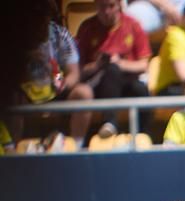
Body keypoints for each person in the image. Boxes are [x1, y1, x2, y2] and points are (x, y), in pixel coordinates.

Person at [15, 1, 93, 150]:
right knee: (10, 96)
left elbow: (74, 74)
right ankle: (12, 149)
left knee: (84, 92)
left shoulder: (60, 35)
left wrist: (60, 85)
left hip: (55, 89)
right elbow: (10, 76)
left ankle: (75, 148)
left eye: (43, 17)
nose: (39, 23)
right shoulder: (17, 38)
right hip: (26, 94)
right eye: (36, 17)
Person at [75, 0, 152, 138]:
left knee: (141, 89)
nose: (107, 12)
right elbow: (78, 71)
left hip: (126, 80)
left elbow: (144, 64)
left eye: (111, 6)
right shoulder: (87, 27)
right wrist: (97, 65)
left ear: (119, 5)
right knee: (111, 70)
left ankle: (144, 136)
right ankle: (109, 123)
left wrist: (119, 63)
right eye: (102, 6)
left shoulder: (133, 25)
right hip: (98, 84)